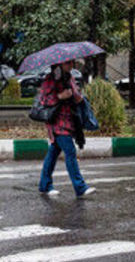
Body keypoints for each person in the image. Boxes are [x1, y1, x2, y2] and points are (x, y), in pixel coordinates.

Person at [37, 60, 95, 198]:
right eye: (67, 63)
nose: (71, 65)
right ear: (59, 64)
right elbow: (44, 100)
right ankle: (80, 187)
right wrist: (60, 96)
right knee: (70, 151)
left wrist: (77, 97)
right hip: (57, 122)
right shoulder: (50, 79)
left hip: (69, 120)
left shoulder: (69, 77)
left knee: (53, 154)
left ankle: (44, 185)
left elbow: (75, 97)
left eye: (72, 63)